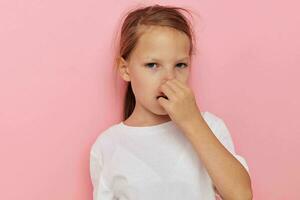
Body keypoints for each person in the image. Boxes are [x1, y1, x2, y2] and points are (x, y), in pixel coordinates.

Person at [90, 4, 253, 200]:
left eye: (180, 65)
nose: (169, 78)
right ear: (125, 69)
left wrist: (192, 121)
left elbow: (241, 195)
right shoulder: (108, 145)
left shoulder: (209, 127)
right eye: (152, 65)